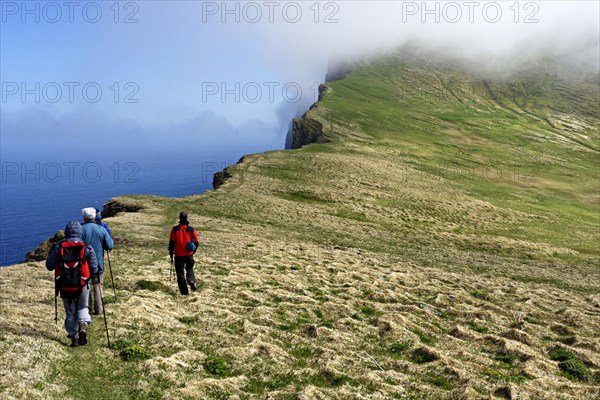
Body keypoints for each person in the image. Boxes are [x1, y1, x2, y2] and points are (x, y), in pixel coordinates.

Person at [46, 221, 98, 347]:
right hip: (82, 284)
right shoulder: (86, 248)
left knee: (70, 312)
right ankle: (83, 328)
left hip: (64, 285)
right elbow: (94, 268)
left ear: (66, 232)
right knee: (83, 307)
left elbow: (49, 266)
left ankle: (74, 339)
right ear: (80, 232)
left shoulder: (59, 247)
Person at [81, 207, 114, 314]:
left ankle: (87, 308)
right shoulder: (101, 229)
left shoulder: (80, 229)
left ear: (84, 217)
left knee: (85, 286)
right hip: (98, 264)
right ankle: (99, 309)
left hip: (83, 264)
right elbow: (110, 245)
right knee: (98, 286)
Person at [168, 212, 199, 295]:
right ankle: (191, 281)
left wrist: (171, 253)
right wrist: (193, 251)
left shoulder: (175, 229)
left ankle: (184, 293)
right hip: (189, 254)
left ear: (179, 218)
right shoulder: (191, 229)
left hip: (179, 255)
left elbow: (171, 243)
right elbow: (196, 242)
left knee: (180, 273)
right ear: (187, 218)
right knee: (189, 268)